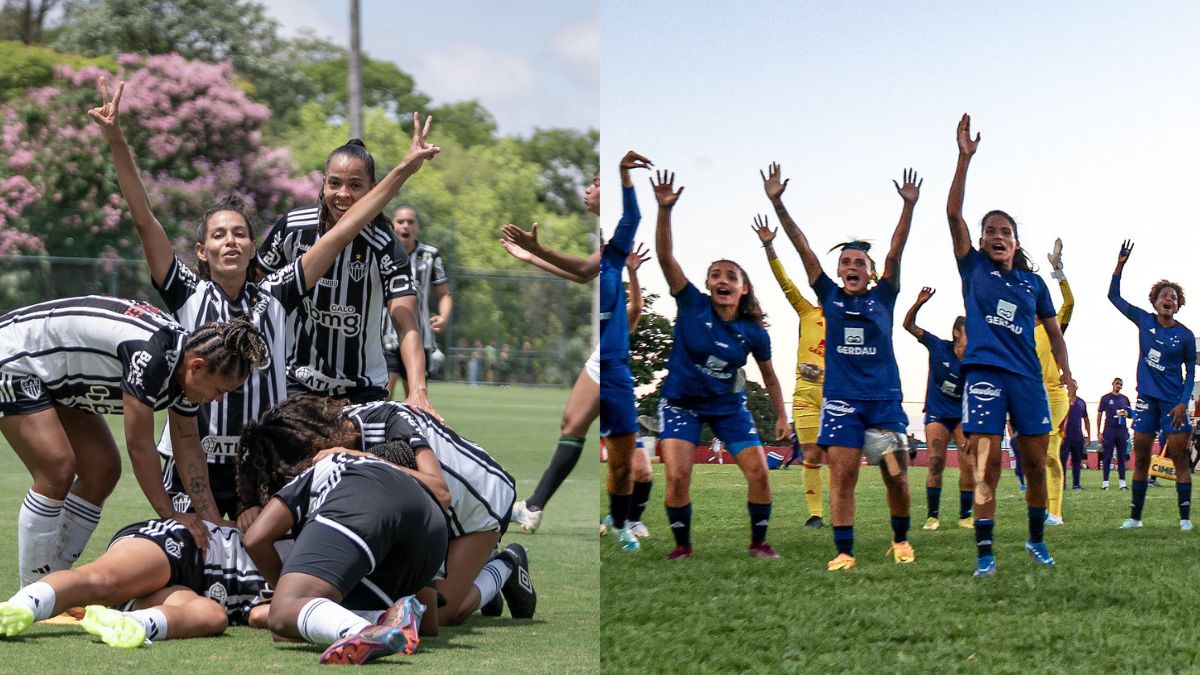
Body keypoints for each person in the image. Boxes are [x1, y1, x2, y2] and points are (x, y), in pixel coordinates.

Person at [89, 78, 441, 519]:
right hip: (191, 462)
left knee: (263, 567)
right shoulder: (185, 291)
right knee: (190, 563)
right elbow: (143, 217)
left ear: (255, 249)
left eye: (240, 233)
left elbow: (347, 227)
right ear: (202, 251)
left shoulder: (276, 295)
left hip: (260, 467)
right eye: (218, 235)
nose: (230, 241)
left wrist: (405, 169)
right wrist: (116, 139)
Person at [0, 296, 267, 585]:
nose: (217, 399)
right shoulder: (151, 356)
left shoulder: (183, 365)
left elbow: (188, 442)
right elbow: (140, 446)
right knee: (57, 469)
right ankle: (31, 594)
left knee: (102, 470)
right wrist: (170, 515)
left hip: (56, 376)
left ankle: (56, 584)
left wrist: (211, 519)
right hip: (15, 357)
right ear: (198, 367)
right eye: (219, 390)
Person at [238, 394, 526, 629]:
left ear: (317, 447)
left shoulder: (390, 419)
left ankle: (505, 565)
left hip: (479, 506)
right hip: (421, 518)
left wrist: (361, 458)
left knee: (447, 615)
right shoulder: (330, 437)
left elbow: (440, 492)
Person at [764, 162, 919, 571]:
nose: (852, 267)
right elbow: (804, 250)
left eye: (859, 264)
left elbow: (896, 249)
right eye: (846, 262)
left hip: (883, 405)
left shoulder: (885, 296)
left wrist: (909, 206)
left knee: (895, 475)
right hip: (841, 405)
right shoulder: (829, 297)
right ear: (838, 272)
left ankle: (901, 541)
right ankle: (845, 551)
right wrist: (778, 204)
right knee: (842, 477)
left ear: (871, 273)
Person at [948, 114, 1074, 576]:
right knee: (985, 466)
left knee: (1036, 464)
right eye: (990, 231)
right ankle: (985, 554)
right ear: (981, 241)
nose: (997, 236)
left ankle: (1037, 540)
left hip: (1027, 379)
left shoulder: (1033, 283)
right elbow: (953, 215)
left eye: (1006, 231)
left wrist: (1066, 370)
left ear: (1016, 242)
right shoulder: (973, 270)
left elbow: (1055, 332)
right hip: (983, 375)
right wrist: (964, 159)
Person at [652, 168, 789, 561]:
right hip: (681, 404)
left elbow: (770, 377)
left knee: (760, 472)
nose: (722, 279)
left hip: (728, 408)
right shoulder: (692, 304)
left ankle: (759, 542)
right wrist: (665, 211)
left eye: (731, 275)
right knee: (678, 475)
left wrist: (782, 414)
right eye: (716, 274)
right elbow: (664, 256)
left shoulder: (753, 333)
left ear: (743, 288)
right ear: (709, 285)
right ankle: (682, 546)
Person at [258, 134, 437, 410]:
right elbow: (253, 288)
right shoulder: (293, 228)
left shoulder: (385, 245)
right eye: (334, 183)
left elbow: (406, 322)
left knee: (396, 451)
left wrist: (417, 390)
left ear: (372, 190)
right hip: (297, 383)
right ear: (323, 184)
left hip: (363, 389)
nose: (343, 194)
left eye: (355, 185)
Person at [243, 450, 447, 665]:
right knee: (303, 622)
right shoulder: (399, 478)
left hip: (361, 499)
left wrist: (288, 599)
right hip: (433, 523)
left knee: (284, 613)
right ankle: (382, 619)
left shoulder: (325, 466)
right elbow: (429, 627)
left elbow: (255, 539)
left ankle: (364, 631)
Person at [500, 169, 607, 534]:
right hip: (609, 348)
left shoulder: (623, 227)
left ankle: (626, 515)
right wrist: (531, 257)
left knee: (622, 440)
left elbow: (585, 268)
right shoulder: (607, 232)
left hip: (623, 346)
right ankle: (533, 507)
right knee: (574, 423)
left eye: (596, 182)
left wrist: (536, 249)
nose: (588, 189)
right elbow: (583, 273)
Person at [0, 517, 268, 646]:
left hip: (198, 594)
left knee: (214, 617)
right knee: (104, 582)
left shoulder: (302, 595)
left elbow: (265, 617)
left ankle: (130, 624)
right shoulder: (299, 512)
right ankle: (19, 607)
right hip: (188, 545)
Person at [1109, 240, 1196, 531]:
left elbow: (1189, 372)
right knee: (1143, 457)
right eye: (1163, 295)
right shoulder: (1144, 321)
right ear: (1155, 301)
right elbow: (1113, 296)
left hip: (1173, 404)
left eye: (1173, 296)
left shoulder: (1185, 336)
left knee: (1180, 458)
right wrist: (1120, 265)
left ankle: (1184, 520)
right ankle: (1135, 517)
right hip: (1146, 400)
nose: (1168, 299)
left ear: (1178, 304)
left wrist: (1184, 402)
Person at [751, 209, 828, 529]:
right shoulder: (806, 310)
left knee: (840, 458)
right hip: (805, 394)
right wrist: (770, 247)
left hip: (837, 393)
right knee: (810, 455)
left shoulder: (852, 315)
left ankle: (842, 511)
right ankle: (815, 514)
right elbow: (785, 283)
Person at [902, 287, 974, 531]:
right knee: (935, 461)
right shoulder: (937, 346)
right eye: (968, 332)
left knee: (968, 463)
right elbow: (908, 325)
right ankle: (932, 516)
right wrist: (919, 302)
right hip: (937, 414)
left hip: (962, 416)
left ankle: (966, 516)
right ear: (956, 333)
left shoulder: (976, 359)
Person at [600, 241, 657, 541]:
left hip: (617, 394)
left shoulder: (616, 316)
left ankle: (627, 520)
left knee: (642, 471)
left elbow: (636, 309)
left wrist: (632, 273)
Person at [384, 205, 453, 398]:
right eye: (401, 221)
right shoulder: (382, 252)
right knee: (383, 396)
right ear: (393, 225)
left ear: (417, 227)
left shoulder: (430, 256)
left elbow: (445, 294)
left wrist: (444, 317)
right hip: (385, 338)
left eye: (411, 222)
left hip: (419, 338)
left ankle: (414, 428)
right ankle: (381, 428)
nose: (406, 226)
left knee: (416, 398)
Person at [1034, 238, 1075, 525]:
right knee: (1036, 456)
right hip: (1030, 397)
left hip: (1055, 395)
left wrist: (1058, 270)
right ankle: (1042, 507)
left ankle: (1055, 513)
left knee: (1050, 453)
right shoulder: (1019, 328)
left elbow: (1069, 303)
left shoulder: (1052, 327)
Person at [1097, 378, 1133, 489]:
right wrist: (1099, 432)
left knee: (1122, 457)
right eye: (1117, 384)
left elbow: (1131, 414)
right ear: (1113, 384)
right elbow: (1099, 414)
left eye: (1121, 384)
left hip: (1122, 430)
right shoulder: (1106, 398)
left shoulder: (1125, 399)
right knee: (1107, 456)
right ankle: (1105, 483)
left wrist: (1127, 413)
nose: (1119, 386)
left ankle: (1122, 483)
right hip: (1109, 430)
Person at [1061, 393, 1090, 490]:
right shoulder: (1062, 399)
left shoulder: (1081, 402)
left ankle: (1076, 484)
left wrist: (1088, 435)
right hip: (1064, 437)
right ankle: (1062, 484)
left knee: (1077, 461)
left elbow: (1086, 419)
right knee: (1062, 461)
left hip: (1078, 436)